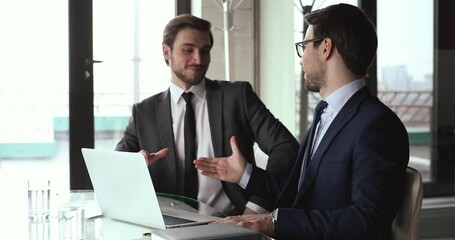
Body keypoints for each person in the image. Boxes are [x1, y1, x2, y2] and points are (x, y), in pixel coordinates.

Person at [194, 3, 409, 239]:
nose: (301, 60)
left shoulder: (377, 125)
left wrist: (272, 223)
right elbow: (297, 194)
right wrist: (244, 174)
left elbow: (368, 221)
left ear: (326, 47)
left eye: (304, 47)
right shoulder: (324, 114)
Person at [115, 14, 299, 215]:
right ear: (166, 52)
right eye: (188, 50)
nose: (198, 59)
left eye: (205, 51)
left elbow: (286, 147)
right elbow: (112, 169)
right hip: (167, 225)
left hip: (231, 222)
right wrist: (134, 166)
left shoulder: (238, 96)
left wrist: (255, 207)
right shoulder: (144, 112)